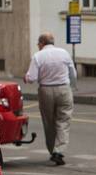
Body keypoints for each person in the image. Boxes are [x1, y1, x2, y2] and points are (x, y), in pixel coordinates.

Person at [24, 32, 76, 166]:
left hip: (46, 90)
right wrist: (72, 86)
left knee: (49, 122)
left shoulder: (38, 56)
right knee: (64, 121)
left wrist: (26, 78)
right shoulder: (64, 53)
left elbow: (32, 77)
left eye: (38, 44)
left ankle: (52, 150)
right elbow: (72, 73)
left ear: (41, 43)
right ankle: (59, 150)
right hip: (64, 89)